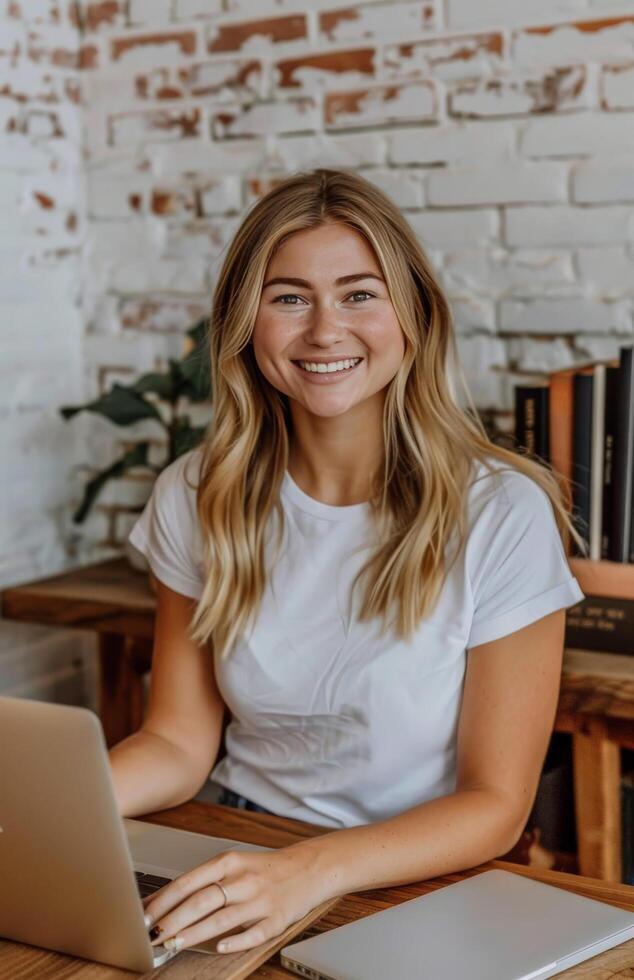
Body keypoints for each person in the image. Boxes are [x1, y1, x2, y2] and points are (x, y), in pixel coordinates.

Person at [109, 168, 585, 956]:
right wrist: (42, 814)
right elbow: (178, 742)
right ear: (244, 324)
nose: (325, 330)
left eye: (360, 294)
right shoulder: (195, 493)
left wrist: (305, 872)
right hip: (234, 839)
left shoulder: (500, 512)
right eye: (288, 296)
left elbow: (497, 804)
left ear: (412, 315)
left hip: (412, 868)